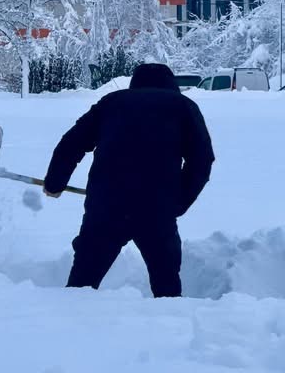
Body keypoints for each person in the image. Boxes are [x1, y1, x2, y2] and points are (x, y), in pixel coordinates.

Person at [43, 63, 215, 298]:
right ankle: (169, 318)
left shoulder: (111, 103)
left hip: (106, 205)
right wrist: (179, 202)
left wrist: (55, 182)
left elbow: (71, 144)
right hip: (157, 208)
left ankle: (68, 316)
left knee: (82, 282)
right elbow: (202, 160)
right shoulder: (183, 106)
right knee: (166, 286)